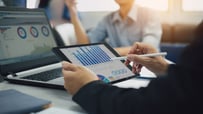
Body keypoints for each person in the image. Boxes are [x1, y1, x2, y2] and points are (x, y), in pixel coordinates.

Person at [62, 20, 203, 114]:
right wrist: (164, 68)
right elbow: (193, 82)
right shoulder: (108, 19)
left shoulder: (148, 14)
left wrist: (88, 88)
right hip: (125, 73)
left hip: (119, 79)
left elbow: (151, 106)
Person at [65, 0, 162, 56]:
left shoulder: (150, 14)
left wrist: (106, 53)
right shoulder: (107, 19)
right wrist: (73, 13)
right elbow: (85, 44)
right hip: (121, 69)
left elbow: (148, 48)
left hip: (149, 68)